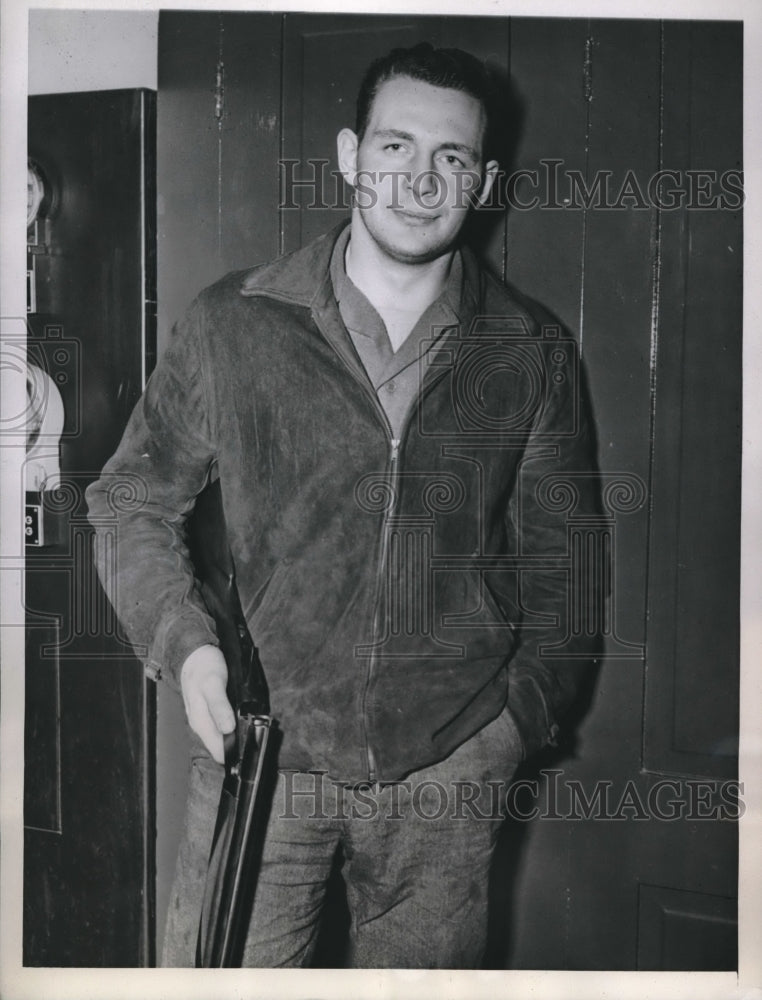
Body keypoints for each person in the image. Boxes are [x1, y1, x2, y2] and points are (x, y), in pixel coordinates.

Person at [86, 42, 600, 969]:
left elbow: (568, 574)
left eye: (451, 157)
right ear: (349, 156)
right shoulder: (232, 322)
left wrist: (506, 731)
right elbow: (129, 501)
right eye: (396, 147)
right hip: (261, 753)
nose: (420, 179)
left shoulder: (531, 351)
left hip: (446, 775)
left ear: (481, 180)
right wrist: (188, 650)